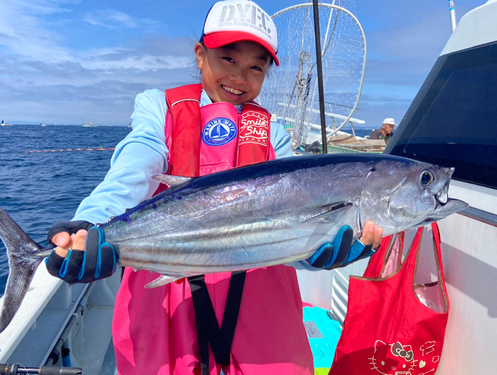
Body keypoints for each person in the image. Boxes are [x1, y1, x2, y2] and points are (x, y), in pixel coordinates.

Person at [45, 1, 384, 374]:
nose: (241, 77)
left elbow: (288, 227)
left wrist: (315, 252)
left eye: (257, 66)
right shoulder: (160, 108)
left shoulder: (273, 133)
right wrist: (89, 223)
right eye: (228, 58)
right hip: (169, 289)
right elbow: (134, 169)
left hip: (260, 299)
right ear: (200, 55)